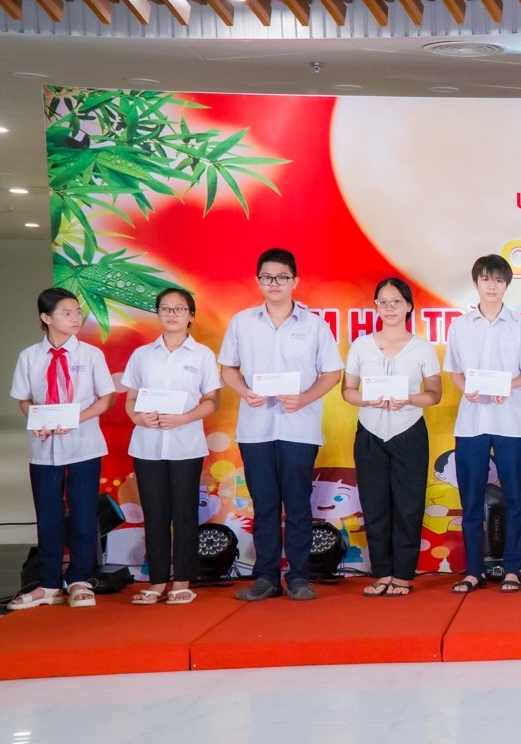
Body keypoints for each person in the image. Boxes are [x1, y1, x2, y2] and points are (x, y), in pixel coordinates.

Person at [219, 248, 343, 602]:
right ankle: (266, 577)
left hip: (298, 427)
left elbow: (332, 373)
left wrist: (304, 398)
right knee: (265, 505)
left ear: (295, 281)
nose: (274, 283)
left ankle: (300, 576)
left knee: (299, 505)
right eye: (267, 277)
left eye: (282, 277)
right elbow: (228, 367)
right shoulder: (242, 322)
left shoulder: (314, 325)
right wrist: (244, 391)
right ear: (258, 281)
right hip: (256, 428)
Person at [7, 287, 116, 610]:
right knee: (48, 515)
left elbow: (106, 399)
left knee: (83, 513)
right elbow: (24, 399)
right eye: (67, 313)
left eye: (77, 312)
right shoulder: (29, 357)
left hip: (84, 445)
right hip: (43, 447)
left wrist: (76, 419)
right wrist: (36, 418)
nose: (75, 318)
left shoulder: (91, 355)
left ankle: (80, 579)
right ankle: (49, 584)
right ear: (46, 317)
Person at [444, 254, 521, 594]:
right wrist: (466, 390)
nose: (492, 286)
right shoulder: (460, 326)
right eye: (486, 279)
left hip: (510, 422)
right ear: (476, 283)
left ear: (506, 285)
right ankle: (474, 571)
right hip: (471, 422)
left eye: (499, 280)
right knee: (471, 501)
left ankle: (512, 569)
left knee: (515, 499)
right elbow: (455, 372)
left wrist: (509, 386)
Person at [341, 278, 443, 598]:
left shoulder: (422, 347)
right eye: (382, 302)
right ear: (376, 307)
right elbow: (347, 390)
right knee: (374, 505)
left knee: (409, 505)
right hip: (370, 430)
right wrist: (366, 400)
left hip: (408, 430)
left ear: (408, 306)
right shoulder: (361, 345)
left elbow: (435, 394)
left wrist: (410, 399)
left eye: (396, 302)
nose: (389, 308)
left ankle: (403, 576)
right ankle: (382, 573)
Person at [121, 288, 221, 606]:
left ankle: (182, 581)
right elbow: (131, 398)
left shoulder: (202, 355)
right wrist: (138, 418)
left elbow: (212, 400)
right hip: (147, 445)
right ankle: (157, 581)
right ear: (158, 314)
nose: (172, 314)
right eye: (165, 308)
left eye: (179, 309)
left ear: (191, 315)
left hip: (186, 445)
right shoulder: (142, 355)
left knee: (185, 513)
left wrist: (184, 418)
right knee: (155, 514)